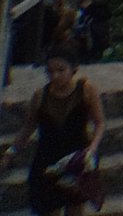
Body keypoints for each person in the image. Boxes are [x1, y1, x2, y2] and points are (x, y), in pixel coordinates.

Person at [0, 44, 106, 216]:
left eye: (61, 70)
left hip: (76, 158)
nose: (55, 76)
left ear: (73, 70)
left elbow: (100, 122)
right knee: (48, 209)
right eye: (50, 71)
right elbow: (28, 128)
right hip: (47, 160)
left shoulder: (86, 90)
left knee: (75, 208)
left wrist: (92, 148)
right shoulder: (40, 96)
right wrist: (11, 152)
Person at [69, 0, 112, 64]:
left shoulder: (91, 12)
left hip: (90, 48)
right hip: (92, 47)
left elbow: (80, 28)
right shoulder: (97, 10)